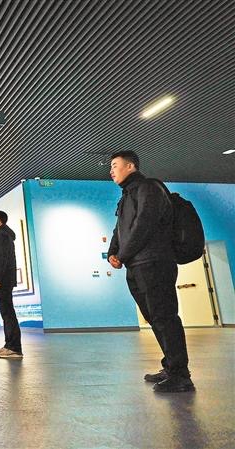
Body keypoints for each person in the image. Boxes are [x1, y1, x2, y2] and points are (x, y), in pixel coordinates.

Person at [107, 150, 194, 393]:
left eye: (115, 165)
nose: (111, 171)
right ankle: (171, 366)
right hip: (136, 265)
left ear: (131, 166)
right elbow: (119, 229)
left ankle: (181, 375)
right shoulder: (126, 195)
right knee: (155, 318)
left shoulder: (150, 187)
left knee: (165, 317)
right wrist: (112, 251)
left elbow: (144, 223)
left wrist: (122, 255)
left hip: (155, 263)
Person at [0, 211, 22, 359]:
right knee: (6, 314)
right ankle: (9, 345)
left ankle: (14, 348)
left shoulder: (2, 235)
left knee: (8, 314)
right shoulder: (2, 235)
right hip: (3, 280)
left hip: (2, 281)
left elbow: (1, 259)